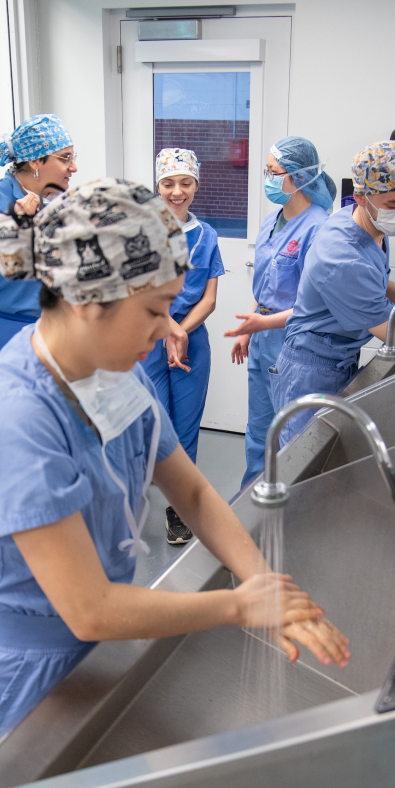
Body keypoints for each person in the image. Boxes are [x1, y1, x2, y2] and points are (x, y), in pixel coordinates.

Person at [0, 178, 348, 782]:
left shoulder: (114, 376)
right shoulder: (14, 417)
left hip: (94, 655)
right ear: (88, 300)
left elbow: (193, 492)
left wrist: (262, 581)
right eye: (154, 311)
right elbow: (90, 608)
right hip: (14, 681)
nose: (166, 329)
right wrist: (237, 605)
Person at [269, 141, 395, 448]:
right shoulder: (343, 257)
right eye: (394, 204)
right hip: (311, 372)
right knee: (302, 459)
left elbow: (374, 285)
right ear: (361, 197)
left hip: (336, 361)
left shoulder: (360, 223)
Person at [224, 136, 335, 487]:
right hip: (262, 338)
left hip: (294, 344)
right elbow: (268, 285)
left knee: (290, 435)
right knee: (259, 429)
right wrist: (250, 328)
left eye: (275, 172)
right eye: (267, 171)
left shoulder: (319, 228)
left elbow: (313, 306)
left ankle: (285, 505)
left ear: (299, 176)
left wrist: (261, 323)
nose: (268, 179)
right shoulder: (273, 219)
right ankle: (252, 499)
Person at [0, 114, 77, 374]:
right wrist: (11, 226)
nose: (73, 167)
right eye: (65, 158)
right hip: (4, 332)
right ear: (35, 161)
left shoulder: (62, 204)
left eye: (73, 158)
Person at [144, 148, 225, 547]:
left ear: (196, 185)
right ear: (157, 186)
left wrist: (181, 332)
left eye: (185, 183)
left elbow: (209, 299)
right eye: (168, 183)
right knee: (150, 424)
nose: (177, 191)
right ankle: (128, 499)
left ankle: (180, 509)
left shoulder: (207, 236)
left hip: (191, 341)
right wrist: (169, 328)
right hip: (146, 339)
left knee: (186, 429)